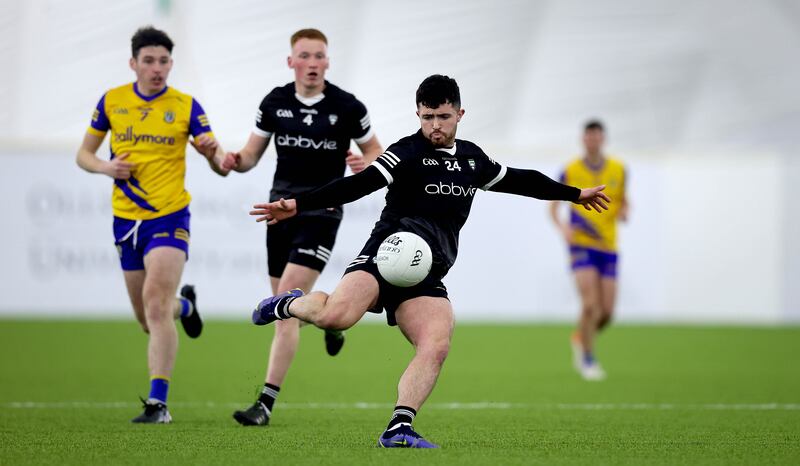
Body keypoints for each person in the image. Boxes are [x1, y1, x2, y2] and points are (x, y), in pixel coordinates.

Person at [248, 75, 611, 448]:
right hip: (383, 256)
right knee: (336, 317)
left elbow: (521, 180)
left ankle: (398, 428)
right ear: (418, 115)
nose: (434, 125)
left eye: (442, 116)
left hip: (427, 271)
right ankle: (287, 303)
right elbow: (358, 184)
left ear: (459, 113)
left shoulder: (473, 159)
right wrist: (299, 203)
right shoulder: (405, 152)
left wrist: (574, 195)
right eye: (427, 117)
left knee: (436, 342)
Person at [224, 28, 383, 427]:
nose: (312, 63)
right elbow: (249, 156)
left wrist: (368, 165)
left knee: (284, 304)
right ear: (291, 61)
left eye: (319, 56)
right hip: (279, 211)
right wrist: (228, 160)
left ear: (328, 62)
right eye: (305, 56)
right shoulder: (274, 103)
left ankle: (264, 404)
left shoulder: (348, 107)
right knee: (288, 305)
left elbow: (377, 152)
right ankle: (332, 321)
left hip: (323, 212)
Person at [76, 26, 228, 423]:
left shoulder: (185, 105)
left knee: (156, 305)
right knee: (148, 319)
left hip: (169, 216)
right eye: (149, 61)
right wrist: (106, 166)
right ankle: (188, 305)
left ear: (170, 64)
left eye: (163, 61)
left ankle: (158, 404)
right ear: (133, 63)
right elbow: (84, 155)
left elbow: (220, 163)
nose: (157, 68)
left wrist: (214, 155)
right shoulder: (112, 101)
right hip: (126, 221)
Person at [549, 120, 628, 381]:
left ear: (603, 139)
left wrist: (625, 210)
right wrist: (564, 229)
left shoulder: (618, 169)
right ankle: (588, 358)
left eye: (597, 136)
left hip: (608, 245)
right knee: (591, 304)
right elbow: (553, 206)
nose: (593, 140)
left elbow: (623, 200)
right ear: (583, 139)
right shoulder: (571, 170)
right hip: (581, 244)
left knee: (606, 312)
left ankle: (580, 337)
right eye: (588, 136)